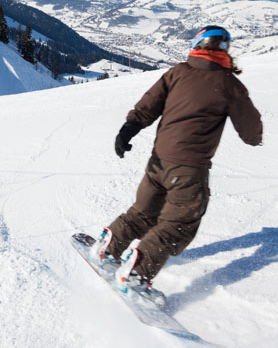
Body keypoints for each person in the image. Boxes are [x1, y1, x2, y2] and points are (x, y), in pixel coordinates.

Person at [91, 25, 263, 295]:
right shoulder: (229, 85)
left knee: (143, 212)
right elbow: (250, 129)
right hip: (189, 169)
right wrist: (254, 138)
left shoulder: (177, 73)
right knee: (178, 224)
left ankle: (108, 245)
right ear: (224, 49)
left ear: (197, 45)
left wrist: (128, 130)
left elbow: (148, 105)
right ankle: (136, 273)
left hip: (158, 163)